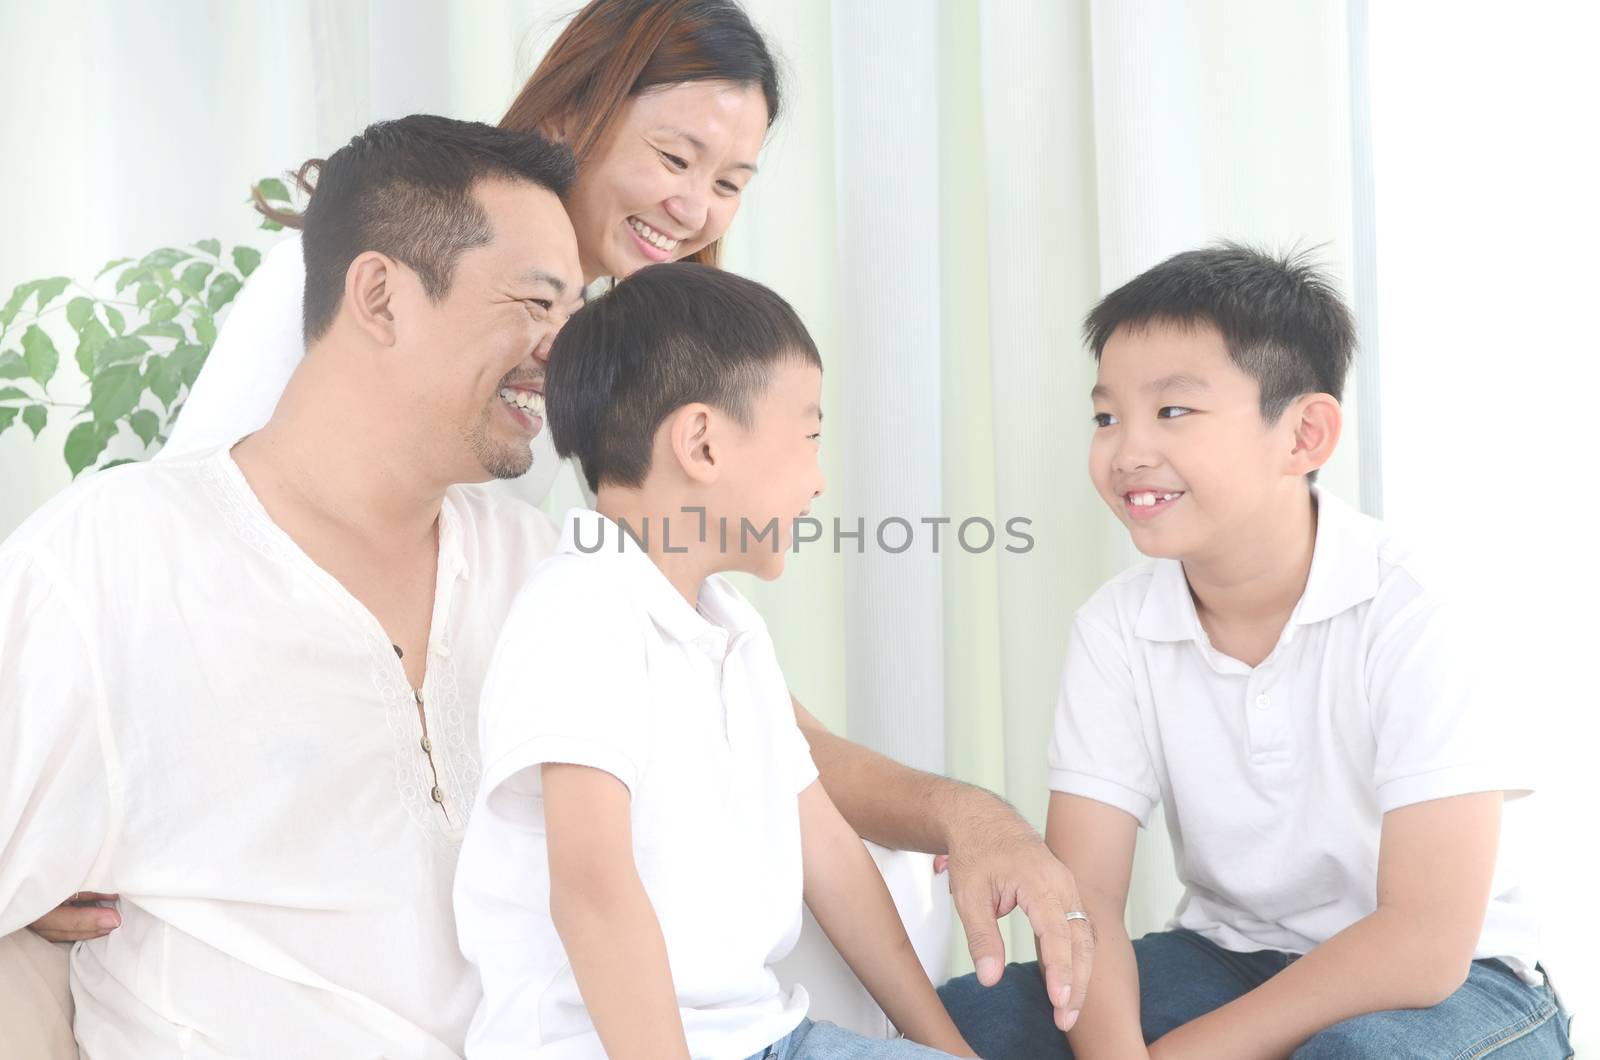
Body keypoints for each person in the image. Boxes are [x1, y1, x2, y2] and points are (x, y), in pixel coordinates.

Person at [56, 0, 1092, 1024]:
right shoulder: (373, 291)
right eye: (676, 158)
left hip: (513, 807)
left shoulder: (619, 385)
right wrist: (73, 809)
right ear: (577, 115)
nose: (695, 207)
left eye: (730, 181)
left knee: (844, 863)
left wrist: (964, 813)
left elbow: (744, 702)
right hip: (343, 833)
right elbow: (194, 558)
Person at [0, 114, 585, 1056]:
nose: (564, 348)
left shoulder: (538, 568)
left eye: (574, 314)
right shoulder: (113, 561)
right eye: (534, 303)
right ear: (382, 297)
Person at [938, 244, 1574, 1058]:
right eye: (1106, 417)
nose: (1127, 451)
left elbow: (1424, 940)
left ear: (1305, 433)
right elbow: (1085, 900)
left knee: (1355, 1055)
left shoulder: (1413, 609)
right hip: (1228, 957)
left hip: (1458, 980)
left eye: (1172, 412)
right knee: (977, 1018)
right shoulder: (1116, 628)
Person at [454, 262, 975, 1059]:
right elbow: (594, 893)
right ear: (701, 441)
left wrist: (948, 1050)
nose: (818, 480)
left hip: (764, 1035)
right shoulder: (581, 612)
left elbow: (831, 857)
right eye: (808, 438)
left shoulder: (734, 632)